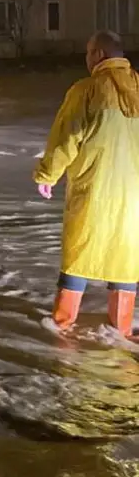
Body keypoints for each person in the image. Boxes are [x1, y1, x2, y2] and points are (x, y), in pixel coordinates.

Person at [34, 29, 139, 336]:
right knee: (125, 259)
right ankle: (121, 331)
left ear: (98, 55)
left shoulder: (86, 90)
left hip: (94, 189)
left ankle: (62, 327)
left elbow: (67, 138)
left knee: (78, 256)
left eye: (88, 53)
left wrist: (47, 174)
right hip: (133, 196)